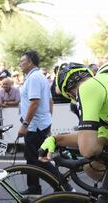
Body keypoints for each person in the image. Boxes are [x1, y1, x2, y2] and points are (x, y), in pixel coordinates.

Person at [39, 62, 108, 182]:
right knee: (92, 167)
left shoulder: (88, 88)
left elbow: (88, 149)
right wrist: (57, 139)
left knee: (91, 167)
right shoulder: (103, 78)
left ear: (70, 94)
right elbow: (97, 135)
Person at [17, 50, 71, 194]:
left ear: (30, 62)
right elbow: (50, 101)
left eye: (22, 61)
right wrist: (48, 120)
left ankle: (65, 186)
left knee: (40, 159)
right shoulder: (37, 76)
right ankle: (34, 187)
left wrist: (25, 125)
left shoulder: (34, 78)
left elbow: (34, 103)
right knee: (31, 158)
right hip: (40, 124)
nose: (20, 64)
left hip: (35, 126)